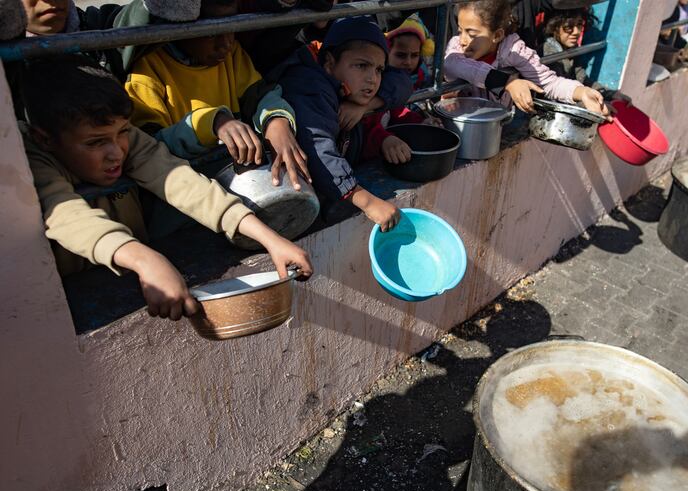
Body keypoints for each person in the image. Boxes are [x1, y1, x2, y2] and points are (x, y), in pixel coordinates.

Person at [20, 55, 312, 320]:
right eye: (96, 143)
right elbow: (65, 215)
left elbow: (179, 181)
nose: (117, 152)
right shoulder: (29, 159)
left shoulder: (119, 133)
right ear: (44, 139)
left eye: (121, 133)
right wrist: (145, 259)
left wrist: (268, 238)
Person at [124, 0, 309, 190]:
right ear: (178, 26)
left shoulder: (233, 55)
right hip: (187, 188)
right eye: (211, 33)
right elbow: (149, 147)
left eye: (231, 27)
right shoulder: (147, 71)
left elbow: (259, 95)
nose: (226, 44)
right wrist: (212, 123)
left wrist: (276, 121)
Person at [275, 16, 414, 231]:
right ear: (329, 63)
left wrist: (366, 107)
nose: (372, 79)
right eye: (361, 65)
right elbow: (317, 148)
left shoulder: (349, 88)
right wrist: (366, 201)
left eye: (379, 69)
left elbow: (403, 82)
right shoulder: (310, 86)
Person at [443, 0, 610, 117]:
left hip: (495, 125)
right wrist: (508, 82)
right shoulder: (456, 48)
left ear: (497, 35)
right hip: (460, 121)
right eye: (460, 30)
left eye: (471, 34)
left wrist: (581, 92)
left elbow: (548, 82)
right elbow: (452, 65)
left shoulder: (514, 49)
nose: (463, 39)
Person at [361, 14, 434, 164]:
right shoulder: (372, 83)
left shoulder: (419, 75)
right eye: (401, 55)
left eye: (414, 55)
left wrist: (421, 123)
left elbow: (397, 112)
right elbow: (364, 127)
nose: (408, 62)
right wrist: (384, 139)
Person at [542, 9, 630, 104]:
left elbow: (582, 79)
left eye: (579, 24)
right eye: (569, 26)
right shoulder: (549, 53)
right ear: (555, 27)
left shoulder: (572, 50)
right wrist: (596, 105)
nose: (576, 32)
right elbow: (558, 93)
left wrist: (610, 94)